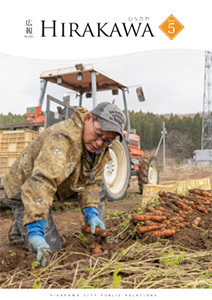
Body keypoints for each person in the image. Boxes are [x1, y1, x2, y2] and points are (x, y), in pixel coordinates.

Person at [4, 102, 126, 267]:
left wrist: (91, 212)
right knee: (52, 252)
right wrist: (36, 229)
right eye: (98, 134)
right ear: (88, 118)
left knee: (100, 194)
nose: (99, 143)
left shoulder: (99, 150)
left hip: (54, 185)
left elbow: (91, 182)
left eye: (107, 141)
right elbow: (42, 182)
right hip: (25, 186)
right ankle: (24, 222)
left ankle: (21, 227)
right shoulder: (63, 139)